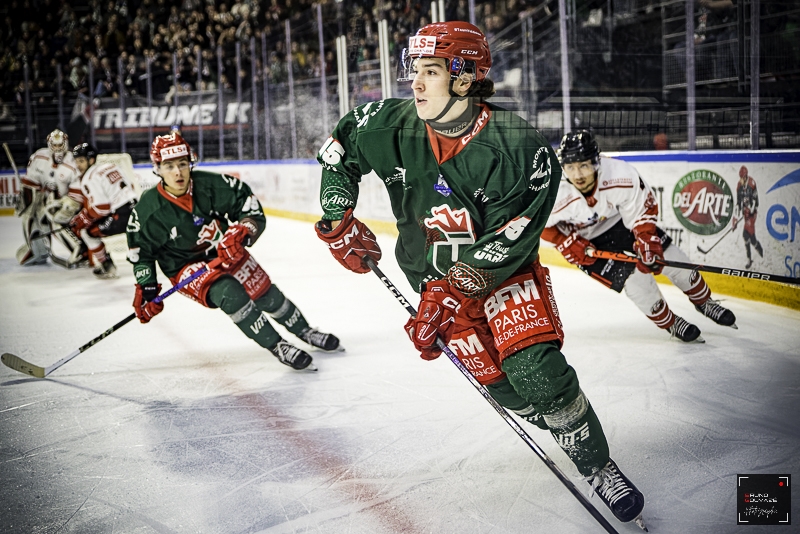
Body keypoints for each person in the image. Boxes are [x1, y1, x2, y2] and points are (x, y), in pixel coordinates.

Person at [313, 22, 646, 529]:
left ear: (465, 79)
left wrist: (449, 292)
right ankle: (556, 421)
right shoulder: (385, 122)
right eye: (415, 71)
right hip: (430, 279)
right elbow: (338, 153)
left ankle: (597, 466)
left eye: (431, 72)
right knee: (505, 389)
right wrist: (338, 218)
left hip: (504, 275)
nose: (415, 84)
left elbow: (515, 233)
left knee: (536, 371)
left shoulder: (518, 145)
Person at [126, 132, 340, 371]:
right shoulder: (148, 208)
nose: (178, 172)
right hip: (184, 266)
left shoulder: (212, 185)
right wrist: (146, 287)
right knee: (230, 292)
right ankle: (278, 345)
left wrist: (242, 231)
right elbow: (141, 252)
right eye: (169, 166)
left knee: (266, 294)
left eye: (183, 164)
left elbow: (249, 208)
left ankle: (305, 331)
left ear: (190, 163)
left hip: (225, 250)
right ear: (157, 168)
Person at [542, 131, 737, 343]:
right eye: (570, 167)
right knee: (637, 286)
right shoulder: (553, 189)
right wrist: (565, 242)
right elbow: (538, 224)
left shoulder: (619, 173)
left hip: (620, 222)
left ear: (596, 162)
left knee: (675, 262)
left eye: (583, 166)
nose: (577, 174)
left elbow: (641, 210)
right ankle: (672, 323)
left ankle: (705, 303)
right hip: (585, 237)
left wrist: (645, 239)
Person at [17, 128, 85, 267]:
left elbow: (77, 191)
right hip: (45, 199)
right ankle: (38, 250)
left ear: (66, 144)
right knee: (29, 217)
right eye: (55, 145)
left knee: (57, 220)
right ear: (49, 145)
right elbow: (31, 184)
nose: (58, 148)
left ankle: (80, 251)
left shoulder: (73, 160)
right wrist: (26, 199)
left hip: (67, 201)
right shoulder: (39, 157)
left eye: (60, 145)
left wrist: (69, 204)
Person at [70, 143, 139, 279]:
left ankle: (107, 266)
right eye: (77, 161)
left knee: (87, 232)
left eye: (81, 161)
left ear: (91, 160)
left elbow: (102, 208)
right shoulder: (112, 166)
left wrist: (82, 218)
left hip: (121, 215)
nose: (78, 165)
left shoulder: (89, 177)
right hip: (136, 208)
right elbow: (130, 185)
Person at [733, 165, 763, 269]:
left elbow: (756, 201)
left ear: (745, 177)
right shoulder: (739, 186)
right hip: (745, 213)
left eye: (742, 178)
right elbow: (738, 203)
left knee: (746, 234)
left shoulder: (752, 184)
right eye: (740, 178)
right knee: (748, 237)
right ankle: (758, 252)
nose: (740, 180)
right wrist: (735, 219)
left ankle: (755, 255)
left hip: (752, 213)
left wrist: (750, 209)